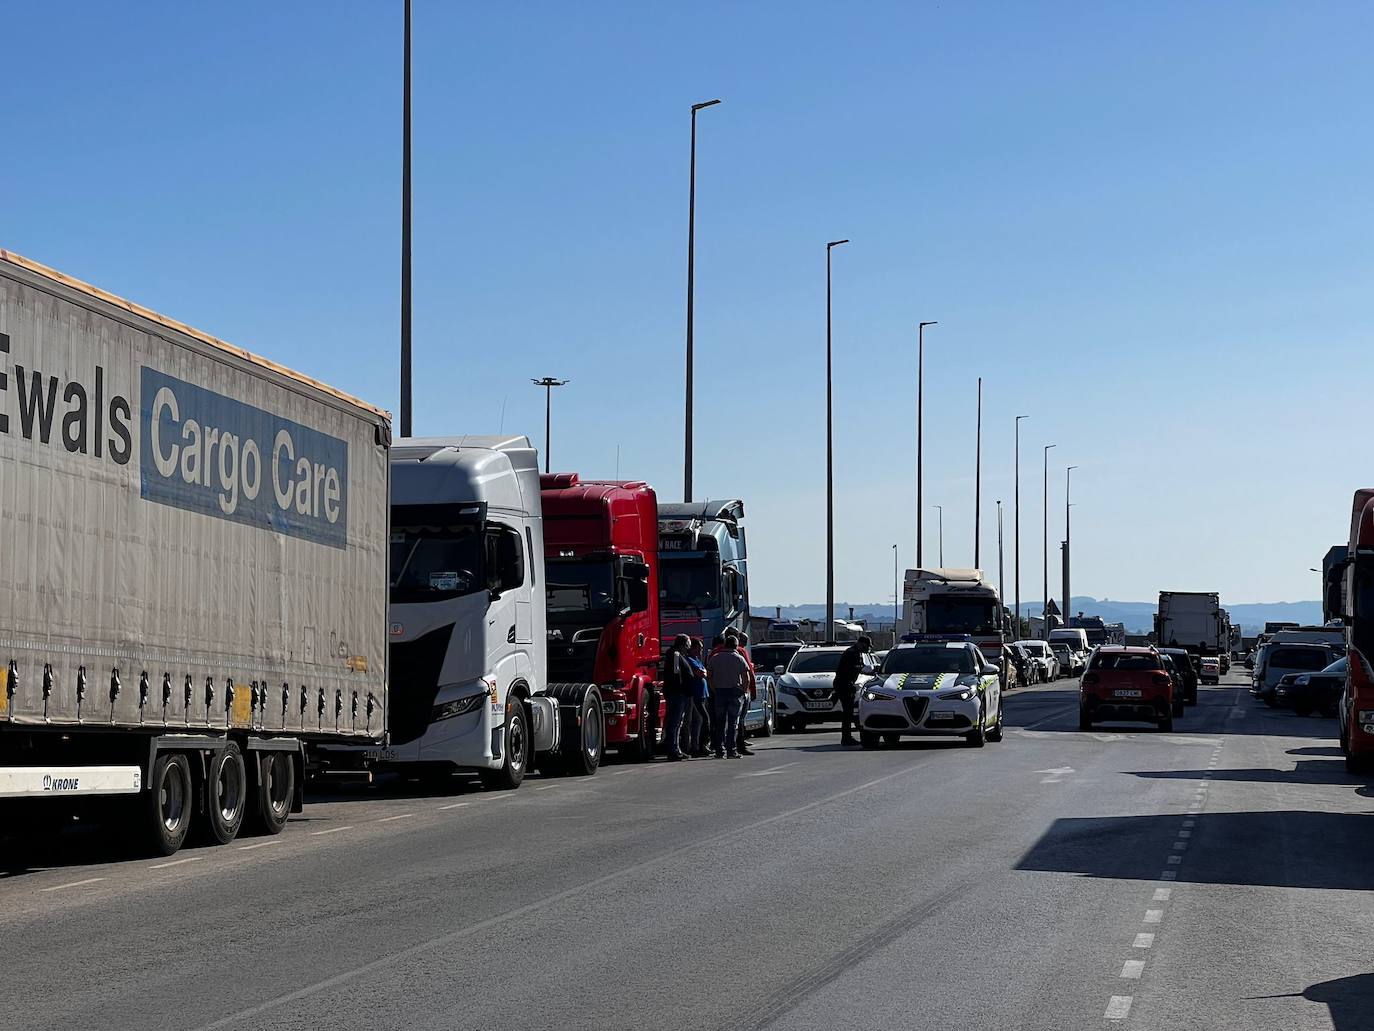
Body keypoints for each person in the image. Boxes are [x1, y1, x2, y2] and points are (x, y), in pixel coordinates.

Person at [706, 635, 750, 758]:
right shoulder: (739, 658)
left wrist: (714, 689)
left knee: (719, 723)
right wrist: (744, 690)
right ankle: (731, 750)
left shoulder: (715, 658)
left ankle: (719, 750)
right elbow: (746, 676)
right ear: (736, 645)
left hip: (720, 692)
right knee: (732, 723)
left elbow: (709, 676)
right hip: (735, 691)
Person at [833, 634, 871, 747]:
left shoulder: (855, 652)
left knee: (848, 713)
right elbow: (856, 668)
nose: (867, 648)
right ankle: (846, 738)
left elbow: (860, 667)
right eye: (866, 646)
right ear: (861, 643)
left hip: (845, 684)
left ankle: (847, 737)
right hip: (844, 684)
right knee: (847, 713)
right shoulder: (852, 653)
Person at [662, 634, 695, 761]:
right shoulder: (675, 655)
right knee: (674, 722)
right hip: (677, 693)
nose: (689, 645)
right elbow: (676, 673)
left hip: (680, 693)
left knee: (678, 722)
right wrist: (681, 688)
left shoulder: (680, 655)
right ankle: (673, 750)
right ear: (683, 643)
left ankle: (676, 748)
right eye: (688, 643)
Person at [726, 631, 757, 756]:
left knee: (724, 721)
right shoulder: (741, 652)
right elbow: (749, 672)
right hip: (740, 690)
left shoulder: (717, 653)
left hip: (721, 690)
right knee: (739, 720)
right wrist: (751, 690)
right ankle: (739, 745)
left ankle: (722, 747)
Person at [685, 638, 712, 757]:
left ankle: (699, 745)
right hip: (695, 694)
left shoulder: (697, 660)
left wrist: (704, 671)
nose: (701, 651)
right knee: (701, 720)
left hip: (702, 694)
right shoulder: (690, 660)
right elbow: (701, 673)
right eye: (699, 648)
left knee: (700, 721)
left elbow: (704, 671)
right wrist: (703, 672)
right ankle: (698, 745)